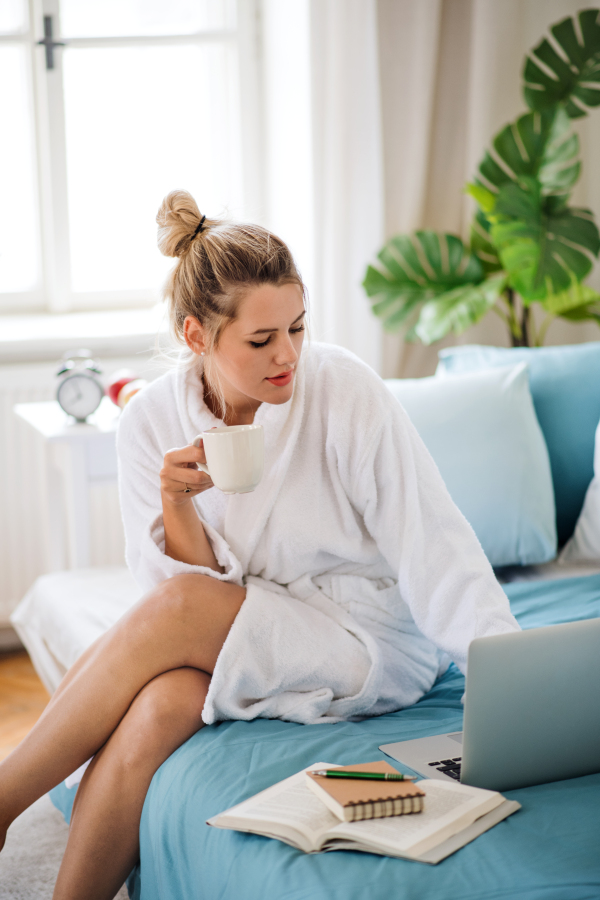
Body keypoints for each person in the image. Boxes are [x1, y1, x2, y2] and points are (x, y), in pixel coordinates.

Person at [0, 190, 519, 899]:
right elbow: (174, 604)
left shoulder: (343, 391)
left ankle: (3, 800)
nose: (288, 357)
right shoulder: (149, 422)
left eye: (298, 329)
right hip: (250, 623)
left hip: (366, 635)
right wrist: (175, 502)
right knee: (160, 705)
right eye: (261, 340)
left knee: (179, 619)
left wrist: (506, 679)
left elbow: (433, 541)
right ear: (195, 336)